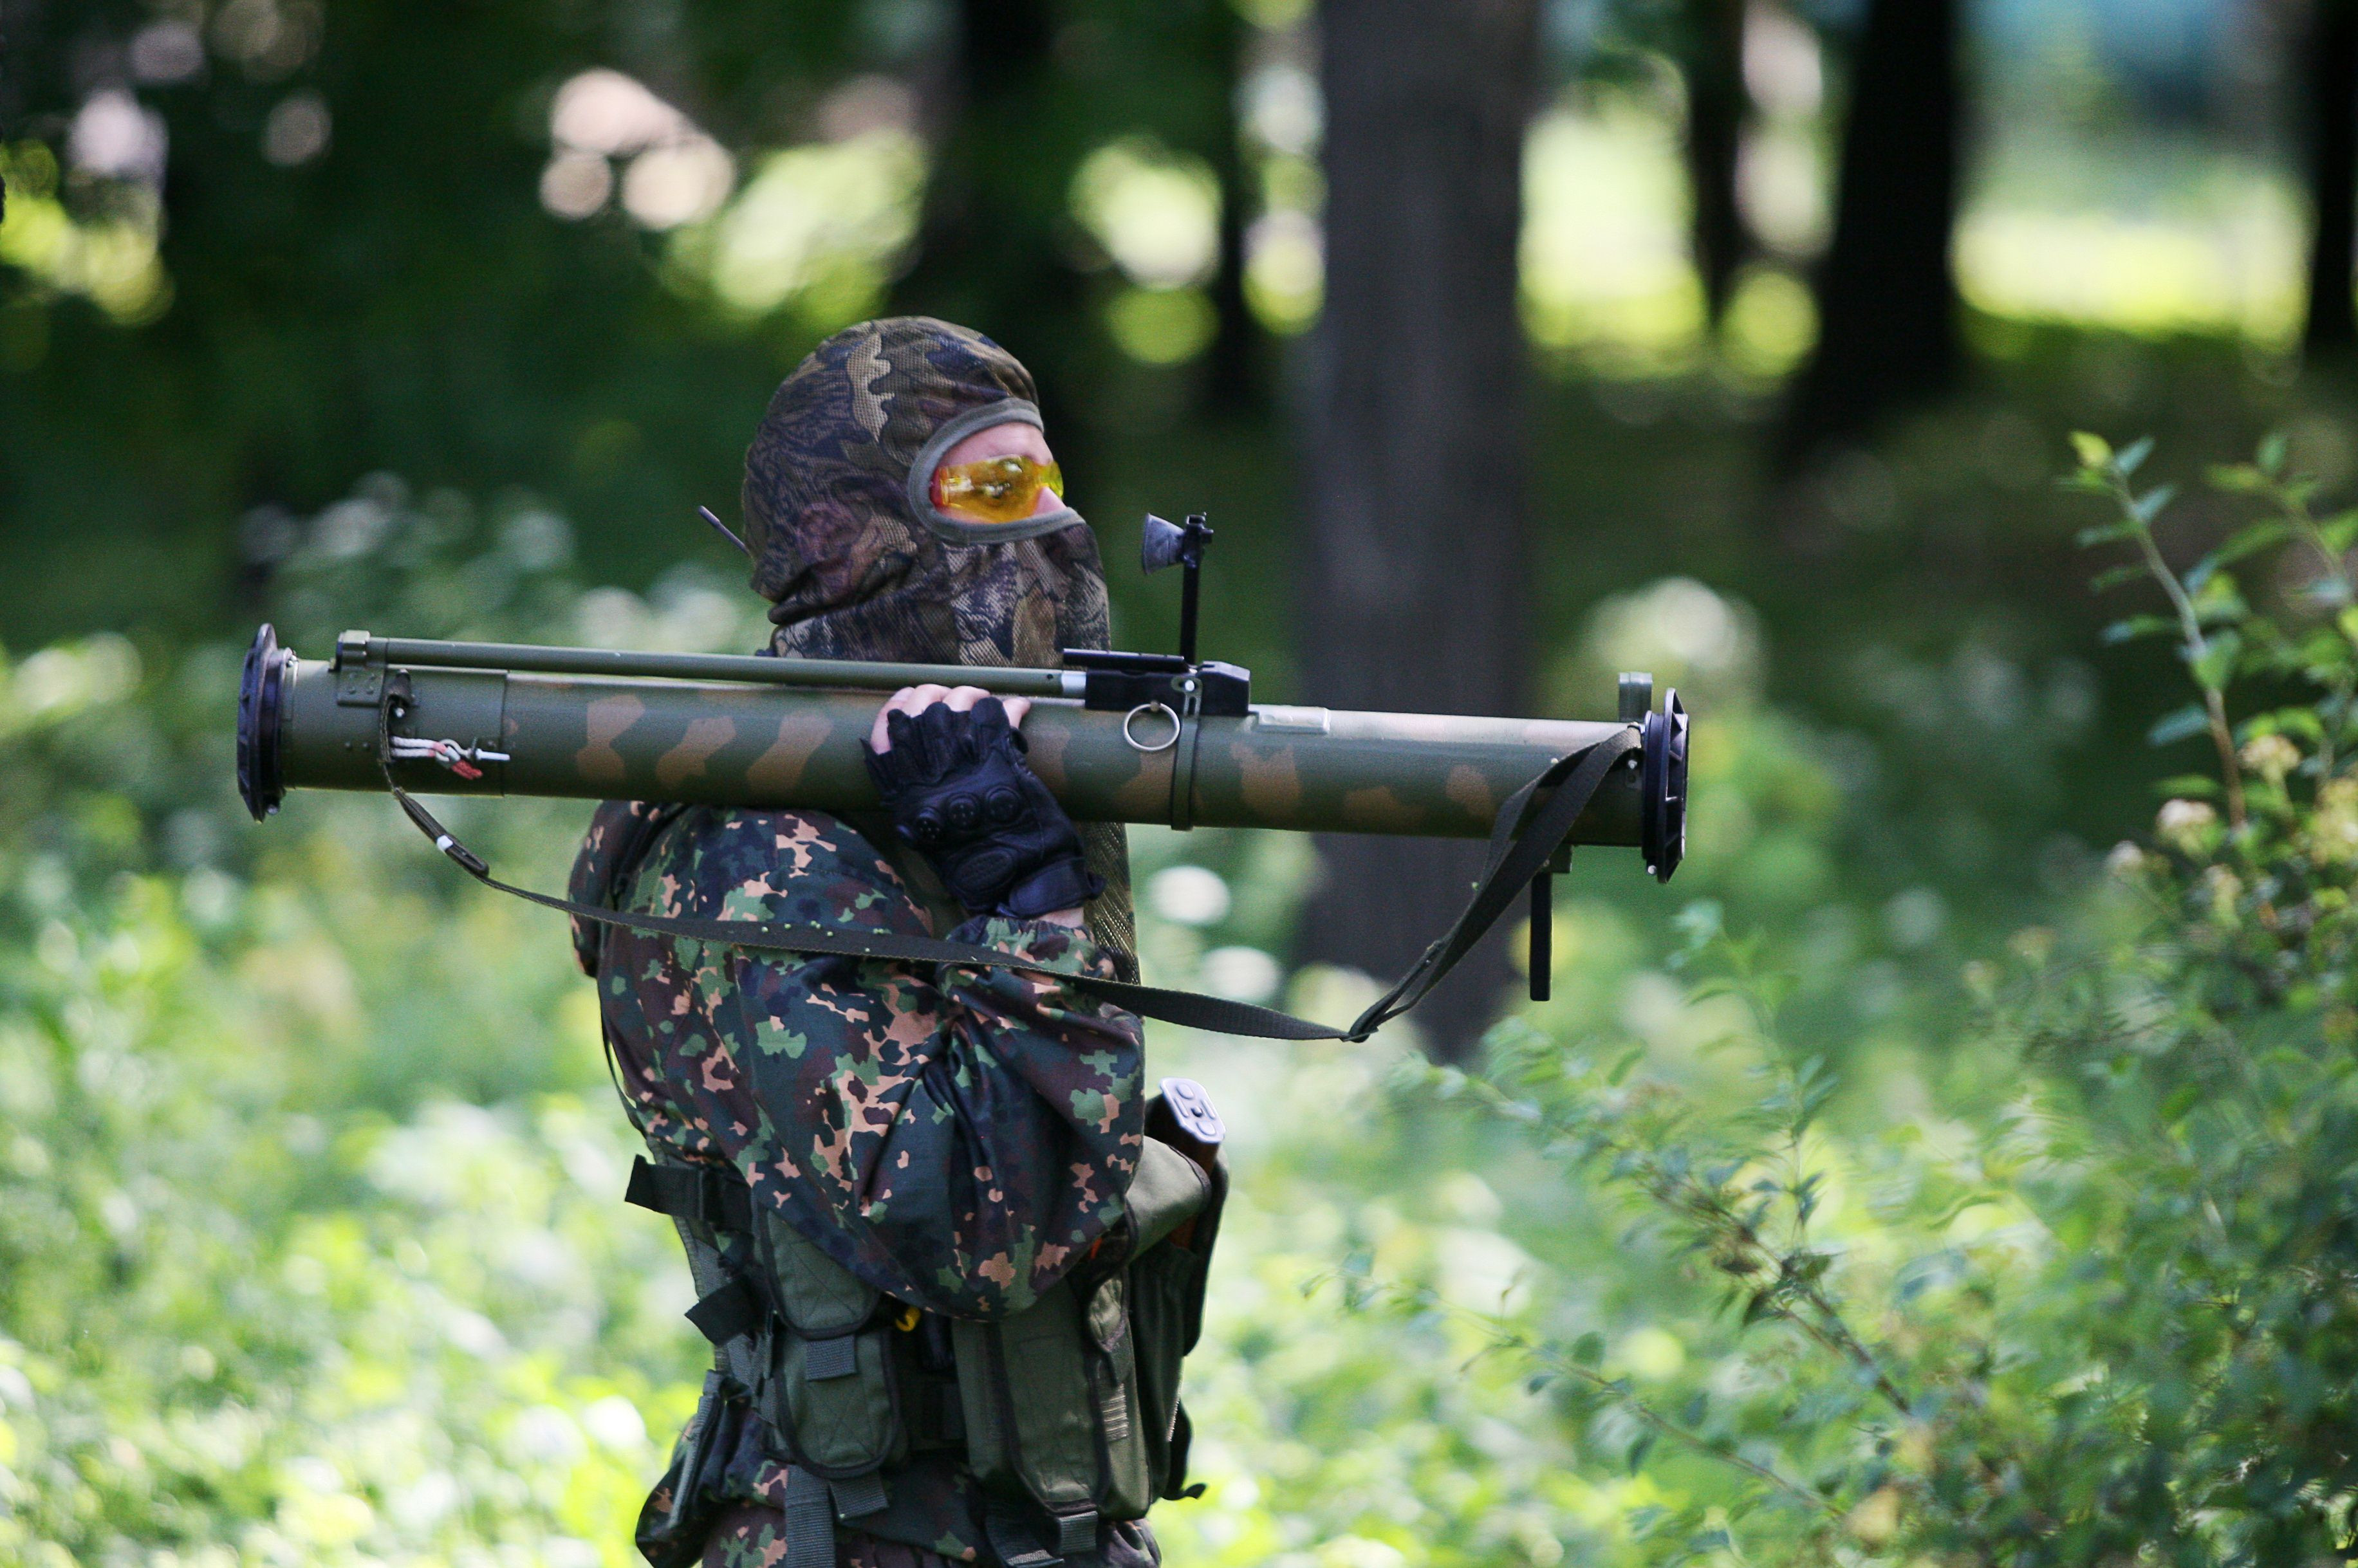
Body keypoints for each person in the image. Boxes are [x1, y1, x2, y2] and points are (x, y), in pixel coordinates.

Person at [567, 318, 1223, 1568]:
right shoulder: (744, 854)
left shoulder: (934, 799)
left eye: (1046, 485)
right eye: (989, 490)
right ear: (855, 534)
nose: (1050, 535)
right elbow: (974, 1229)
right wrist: (1027, 908)